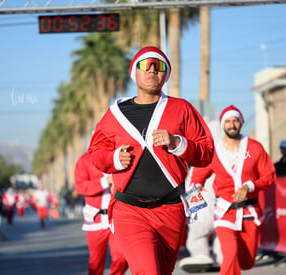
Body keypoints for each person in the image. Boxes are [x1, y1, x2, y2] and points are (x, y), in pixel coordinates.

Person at [87, 46, 215, 275]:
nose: (152, 71)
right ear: (134, 72)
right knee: (148, 272)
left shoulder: (181, 108)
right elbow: (95, 153)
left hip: (171, 209)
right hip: (130, 209)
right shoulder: (116, 113)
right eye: (145, 65)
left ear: (167, 75)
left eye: (160, 67)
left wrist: (178, 143)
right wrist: (115, 158)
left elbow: (206, 152)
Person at [190, 105, 276, 275]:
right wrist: (197, 184)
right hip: (224, 212)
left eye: (235, 121)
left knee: (247, 261)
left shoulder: (254, 148)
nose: (231, 124)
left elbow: (269, 177)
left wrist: (250, 186)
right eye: (228, 121)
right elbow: (199, 172)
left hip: (250, 212)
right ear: (223, 125)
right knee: (230, 254)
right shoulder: (214, 151)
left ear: (241, 123)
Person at [179, 120, 223, 273]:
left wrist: (192, 210)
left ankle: (201, 254)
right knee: (221, 232)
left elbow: (193, 185)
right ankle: (220, 257)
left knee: (198, 231)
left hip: (203, 204)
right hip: (223, 205)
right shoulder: (226, 157)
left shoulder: (202, 158)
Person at [74, 152, 128, 275]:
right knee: (96, 262)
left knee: (122, 257)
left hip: (116, 218)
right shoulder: (84, 160)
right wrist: (105, 181)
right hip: (95, 219)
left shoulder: (119, 156)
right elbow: (80, 186)